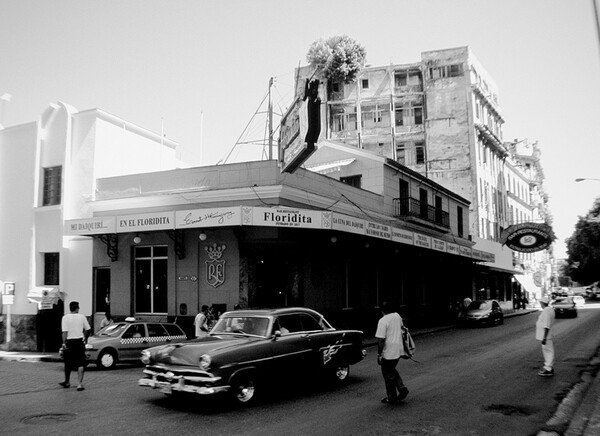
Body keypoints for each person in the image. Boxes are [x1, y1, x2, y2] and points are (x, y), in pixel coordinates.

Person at [375, 302, 409, 404]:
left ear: (382, 311)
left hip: (389, 352)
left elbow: (381, 340)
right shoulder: (397, 316)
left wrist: (379, 354)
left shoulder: (382, 321)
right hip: (399, 349)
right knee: (392, 370)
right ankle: (402, 388)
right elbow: (402, 329)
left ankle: (391, 397)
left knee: (387, 374)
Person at [60, 301, 91, 391]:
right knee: (81, 363)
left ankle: (67, 381)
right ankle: (79, 384)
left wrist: (63, 343)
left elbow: (64, 332)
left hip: (69, 342)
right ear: (77, 308)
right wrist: (85, 338)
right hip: (79, 342)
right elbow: (88, 329)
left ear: (70, 308)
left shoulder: (65, 318)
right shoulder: (82, 317)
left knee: (68, 362)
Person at [536, 296, 555, 377]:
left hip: (546, 336)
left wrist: (544, 337)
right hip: (546, 335)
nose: (540, 304)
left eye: (540, 303)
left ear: (542, 303)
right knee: (547, 351)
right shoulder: (549, 309)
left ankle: (548, 368)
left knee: (548, 352)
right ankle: (549, 367)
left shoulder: (546, 311)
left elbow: (546, 325)